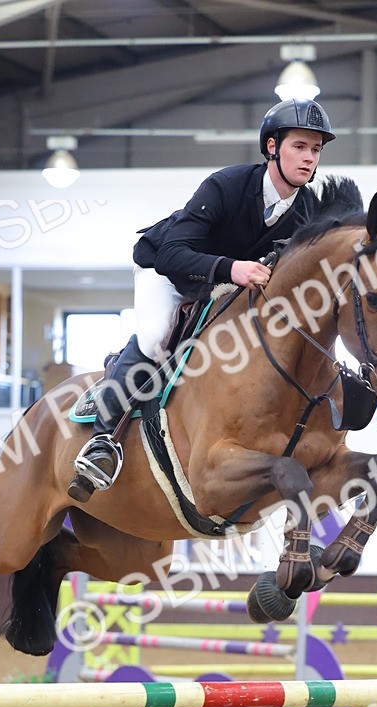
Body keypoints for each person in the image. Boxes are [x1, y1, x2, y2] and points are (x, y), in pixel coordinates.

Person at [67, 98, 336, 501]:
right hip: (168, 270)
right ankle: (104, 441)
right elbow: (174, 252)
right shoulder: (225, 185)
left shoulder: (308, 210)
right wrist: (232, 268)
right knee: (157, 336)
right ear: (272, 147)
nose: (309, 158)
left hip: (228, 287)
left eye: (316, 150)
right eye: (299, 146)